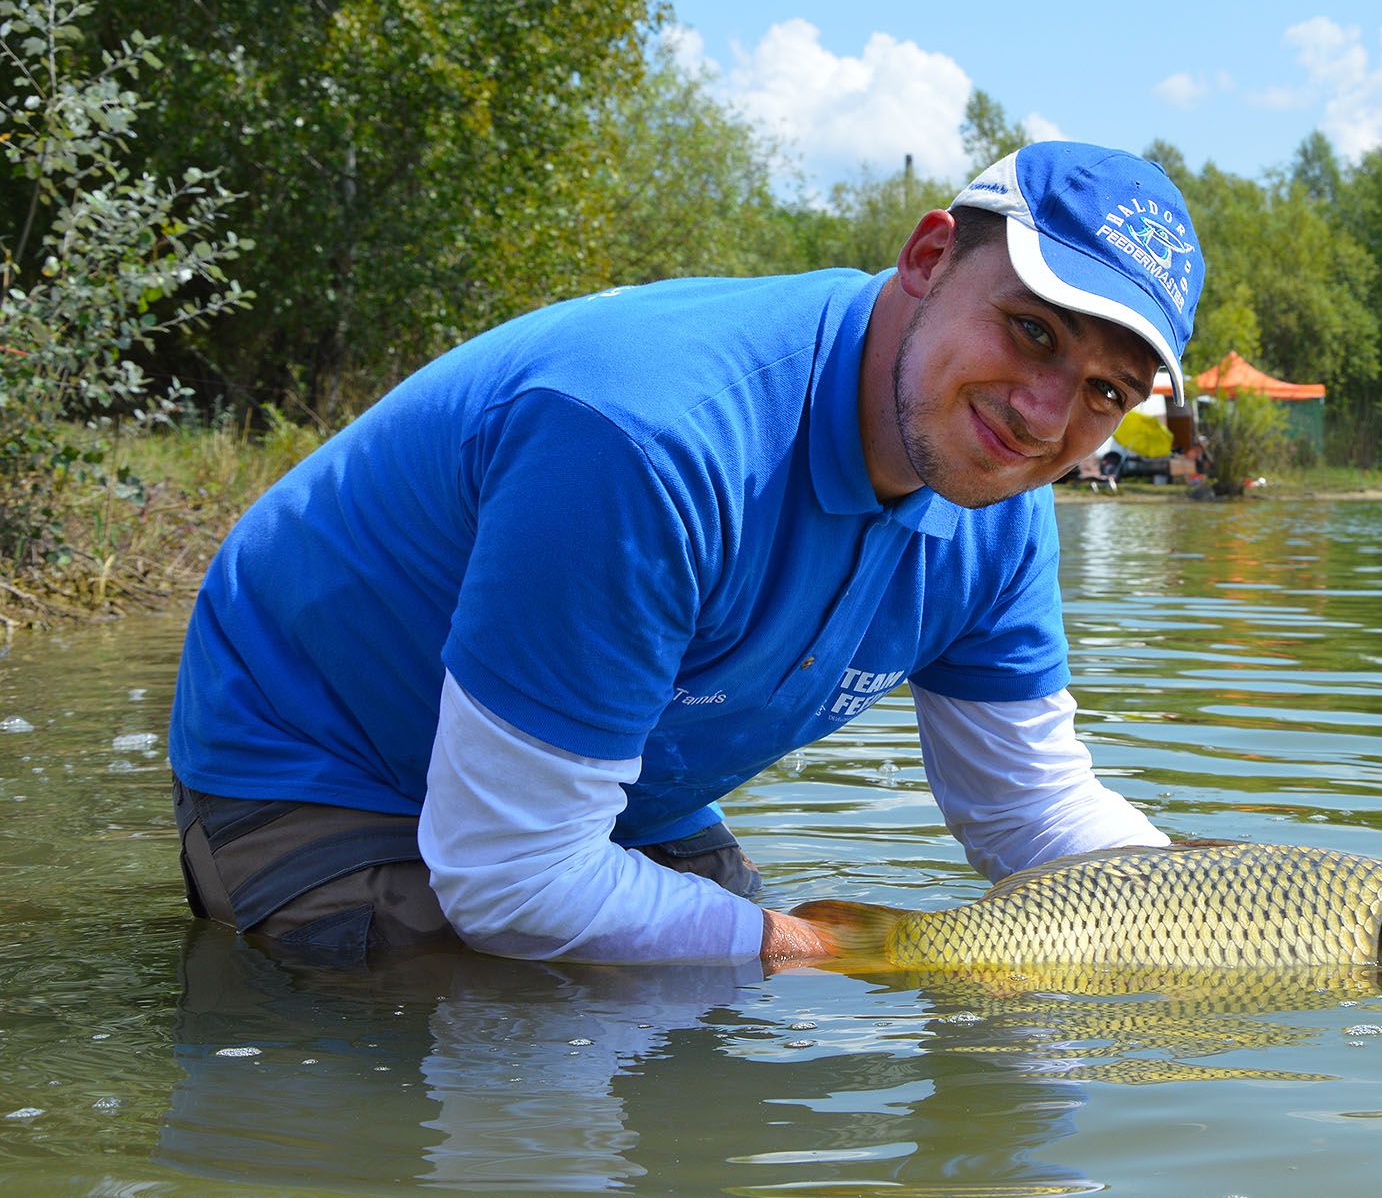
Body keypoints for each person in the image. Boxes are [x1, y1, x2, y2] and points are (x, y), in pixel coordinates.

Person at [168, 140, 1207, 966]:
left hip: (609, 788)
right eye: (1031, 333)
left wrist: (1241, 921)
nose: (1042, 415)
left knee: (711, 1014)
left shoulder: (999, 503)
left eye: (1105, 391)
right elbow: (512, 876)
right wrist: (805, 946)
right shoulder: (651, 437)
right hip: (323, 768)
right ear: (929, 258)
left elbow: (1029, 807)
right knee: (523, 1006)